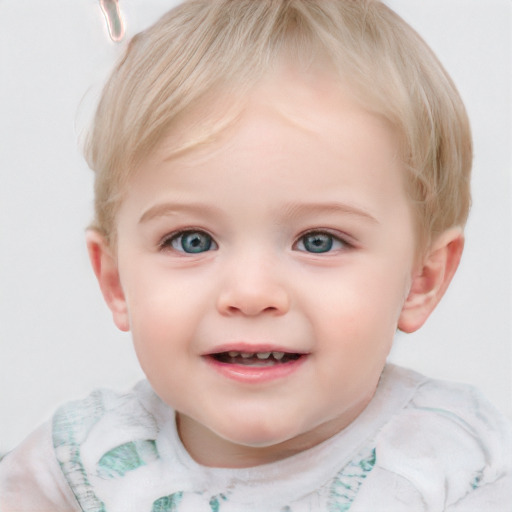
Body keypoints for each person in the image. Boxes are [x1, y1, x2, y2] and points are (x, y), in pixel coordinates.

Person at [1, 0, 510, 510]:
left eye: (319, 241)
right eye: (191, 241)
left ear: (421, 279)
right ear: (115, 282)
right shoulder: (75, 468)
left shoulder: (460, 469)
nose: (251, 293)